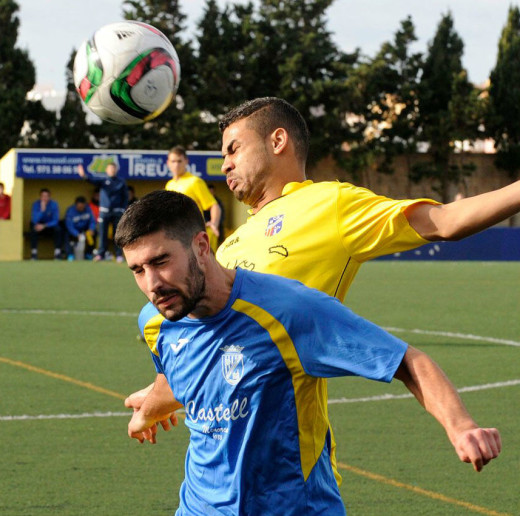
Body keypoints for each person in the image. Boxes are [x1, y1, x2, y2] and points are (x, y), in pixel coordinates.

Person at [127, 96, 520, 474]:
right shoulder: (230, 244)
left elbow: (446, 221)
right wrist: (158, 396)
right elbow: (207, 346)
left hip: (291, 458)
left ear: (277, 141)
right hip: (222, 455)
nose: (224, 163)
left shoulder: (330, 204)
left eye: (233, 149)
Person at [115, 190, 501, 515]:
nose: (152, 284)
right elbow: (183, 374)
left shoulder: (288, 310)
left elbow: (406, 361)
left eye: (161, 262)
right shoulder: (155, 321)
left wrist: (462, 427)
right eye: (137, 270)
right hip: (199, 506)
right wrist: (149, 409)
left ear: (201, 246)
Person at [165, 145, 222, 252]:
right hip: (176, 235)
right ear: (168, 163)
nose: (176, 165)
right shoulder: (169, 185)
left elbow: (214, 205)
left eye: (179, 161)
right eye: (173, 161)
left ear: (186, 161)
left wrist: (214, 223)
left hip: (193, 234)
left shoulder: (195, 182)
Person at [78, 162, 128, 263]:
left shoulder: (121, 182)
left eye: (113, 169)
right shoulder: (103, 180)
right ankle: (100, 254)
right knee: (102, 234)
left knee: (117, 235)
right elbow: (91, 180)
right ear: (107, 170)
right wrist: (84, 176)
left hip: (117, 212)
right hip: (104, 212)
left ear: (116, 170)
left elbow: (125, 197)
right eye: (110, 169)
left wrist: (123, 209)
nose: (112, 171)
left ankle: (118, 255)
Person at [29, 188, 62, 260]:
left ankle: (57, 253)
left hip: (49, 226)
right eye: (42, 196)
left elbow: (55, 220)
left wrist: (44, 226)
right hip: (38, 226)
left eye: (46, 196)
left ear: (49, 197)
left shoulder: (54, 204)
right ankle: (34, 253)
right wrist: (42, 210)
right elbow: (34, 220)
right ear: (40, 197)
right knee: (33, 228)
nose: (44, 198)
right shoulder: (36, 204)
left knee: (58, 229)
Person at [63, 196, 97, 261]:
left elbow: (92, 221)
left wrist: (91, 229)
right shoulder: (70, 211)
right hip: (74, 230)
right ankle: (70, 255)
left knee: (94, 233)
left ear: (84, 205)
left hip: (85, 230)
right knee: (66, 233)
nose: (81, 208)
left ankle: (88, 254)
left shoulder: (88, 209)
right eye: (79, 207)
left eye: (82, 206)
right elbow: (69, 225)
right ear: (76, 205)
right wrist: (76, 234)